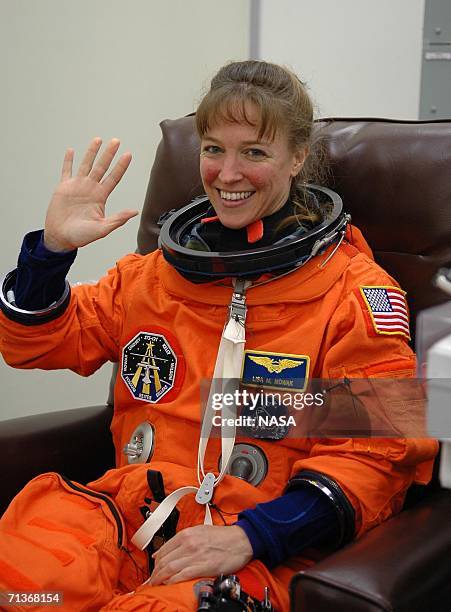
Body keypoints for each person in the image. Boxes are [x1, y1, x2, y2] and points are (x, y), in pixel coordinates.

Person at [0, 60, 438, 611]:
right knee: (20, 585)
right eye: (213, 149)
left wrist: (255, 535)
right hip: (121, 515)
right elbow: (35, 343)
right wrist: (51, 253)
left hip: (252, 547)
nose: (227, 174)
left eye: (253, 152)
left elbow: (380, 453)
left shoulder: (350, 294)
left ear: (297, 157)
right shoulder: (151, 278)